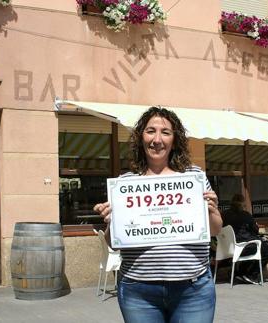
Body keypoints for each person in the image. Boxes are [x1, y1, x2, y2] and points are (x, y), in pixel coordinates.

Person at [93, 106, 223, 323]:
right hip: (138, 291)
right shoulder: (125, 184)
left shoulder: (193, 177)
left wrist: (211, 209)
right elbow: (114, 244)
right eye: (150, 131)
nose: (157, 139)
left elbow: (216, 229)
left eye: (165, 132)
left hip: (193, 288)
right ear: (141, 138)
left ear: (175, 140)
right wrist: (110, 224)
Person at [221, 194, 268, 285]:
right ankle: (251, 275)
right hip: (242, 246)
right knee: (266, 249)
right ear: (243, 204)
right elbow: (255, 230)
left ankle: (239, 273)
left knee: (255, 247)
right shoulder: (245, 215)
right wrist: (255, 225)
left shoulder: (223, 215)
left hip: (226, 248)